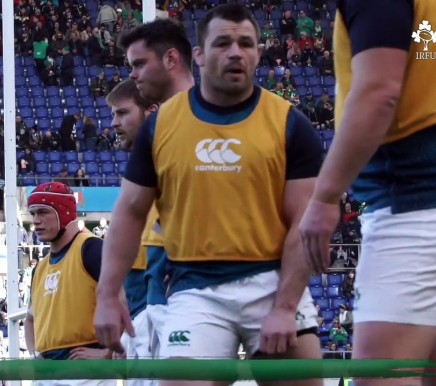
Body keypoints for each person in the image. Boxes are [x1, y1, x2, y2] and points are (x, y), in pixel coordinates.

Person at [95, 4, 324, 386]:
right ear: (198, 55)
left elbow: (305, 221)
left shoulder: (289, 124)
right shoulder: (161, 126)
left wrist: (285, 308)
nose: (235, 52)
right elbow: (131, 212)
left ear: (258, 52)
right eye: (222, 43)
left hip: (272, 281)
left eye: (245, 43)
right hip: (195, 288)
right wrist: (106, 295)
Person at [298, 1, 436, 386]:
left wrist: (325, 197)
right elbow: (425, 51)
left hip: (417, 199)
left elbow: (379, 92)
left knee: (379, 377)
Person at [116, 18, 196, 362]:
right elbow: (134, 214)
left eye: (138, 64)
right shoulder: (159, 131)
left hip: (185, 270)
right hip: (157, 272)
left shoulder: (203, 120)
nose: (133, 74)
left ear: (171, 59)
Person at [23, 182, 119, 386]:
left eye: (43, 212)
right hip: (47, 372)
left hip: (86, 372)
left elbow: (125, 301)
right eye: (33, 214)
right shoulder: (40, 268)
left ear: (63, 212)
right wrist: (34, 354)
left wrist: (108, 353)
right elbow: (29, 320)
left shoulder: (92, 249)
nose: (36, 221)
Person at [106, 79, 158, 372]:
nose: (114, 123)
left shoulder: (169, 161)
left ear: (150, 112)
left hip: (160, 305)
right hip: (139, 307)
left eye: (122, 113)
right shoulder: (139, 168)